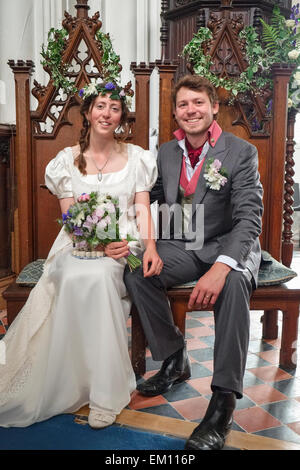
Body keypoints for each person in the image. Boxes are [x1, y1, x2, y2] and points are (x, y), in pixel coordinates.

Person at [0, 81, 161, 429]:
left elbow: (143, 210)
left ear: (121, 117)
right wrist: (97, 244)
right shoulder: (66, 161)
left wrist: (148, 246)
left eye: (114, 108)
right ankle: (71, 379)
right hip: (78, 244)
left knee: (102, 278)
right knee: (75, 276)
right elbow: (72, 218)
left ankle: (106, 392)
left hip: (125, 242)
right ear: (88, 113)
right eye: (100, 106)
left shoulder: (138, 158)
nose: (107, 113)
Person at [124, 75, 263, 450]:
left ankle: (223, 402)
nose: (191, 110)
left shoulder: (240, 152)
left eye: (198, 103)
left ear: (214, 107)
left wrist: (221, 267)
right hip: (185, 245)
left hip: (233, 244)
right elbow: (143, 194)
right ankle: (173, 358)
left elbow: (250, 218)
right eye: (184, 105)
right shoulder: (166, 153)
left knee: (233, 284)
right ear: (176, 113)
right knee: (138, 271)